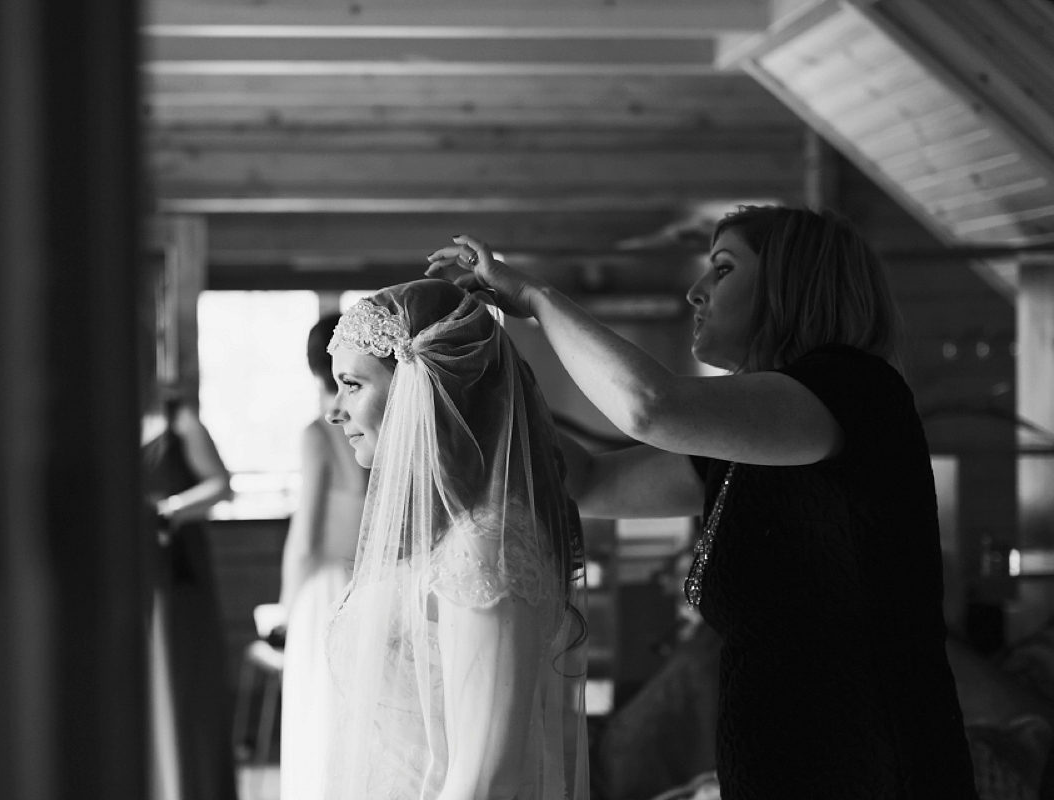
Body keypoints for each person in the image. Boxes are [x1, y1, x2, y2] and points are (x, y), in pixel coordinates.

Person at [426, 206, 978, 799]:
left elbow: (650, 407)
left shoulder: (855, 391)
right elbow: (580, 480)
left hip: (876, 773)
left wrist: (535, 298)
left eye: (722, 269)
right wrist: (470, 369)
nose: (695, 292)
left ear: (794, 283)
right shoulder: (744, 444)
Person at [322, 279, 589, 800]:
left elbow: (486, 779)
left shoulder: (485, 546)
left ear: (415, 387)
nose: (335, 410)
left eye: (352, 385)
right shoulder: (441, 533)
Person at [278, 314, 369, 800]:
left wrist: (287, 606)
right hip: (372, 582)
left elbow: (306, 538)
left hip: (326, 592)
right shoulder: (377, 429)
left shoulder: (318, 433)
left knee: (317, 719)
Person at [142, 387, 238, 800]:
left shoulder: (178, 419)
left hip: (178, 573)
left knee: (182, 685)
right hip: (131, 570)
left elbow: (221, 485)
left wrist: (170, 510)